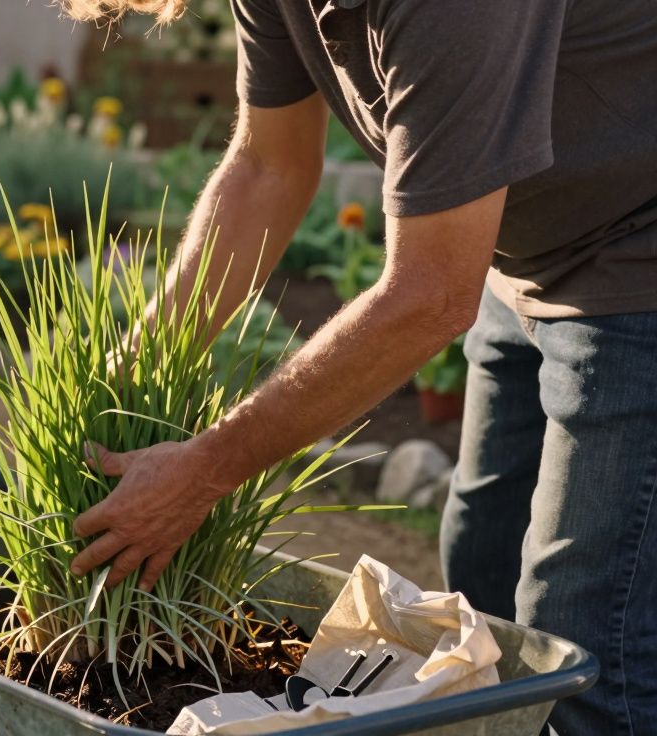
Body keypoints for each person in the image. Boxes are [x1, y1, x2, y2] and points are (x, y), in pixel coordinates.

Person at [59, 1, 657, 733]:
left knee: (589, 641)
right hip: (522, 249)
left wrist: (208, 467)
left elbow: (430, 295)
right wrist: (143, 354)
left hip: (640, 262)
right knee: (484, 563)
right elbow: (266, 168)